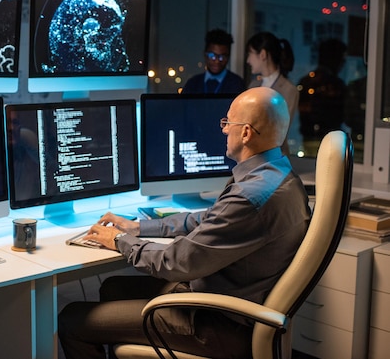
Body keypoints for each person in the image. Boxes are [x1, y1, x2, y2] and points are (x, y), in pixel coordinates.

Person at [58, 87, 310, 359]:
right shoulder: (279, 177)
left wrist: (119, 241)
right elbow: (208, 218)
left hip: (218, 324)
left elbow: (177, 262)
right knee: (112, 288)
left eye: (227, 123)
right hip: (227, 296)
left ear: (246, 133)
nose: (224, 130)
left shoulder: (251, 197)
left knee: (72, 320)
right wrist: (138, 228)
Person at [246, 32, 297, 153]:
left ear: (262, 54)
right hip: (252, 157)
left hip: (275, 159)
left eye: (250, 54)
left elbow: (279, 131)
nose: (248, 60)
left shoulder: (288, 89)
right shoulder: (253, 85)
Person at [298, 38, 347, 155]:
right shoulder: (335, 84)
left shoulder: (306, 81)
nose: (343, 63)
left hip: (313, 138)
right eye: (342, 58)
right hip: (327, 140)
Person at [182, 28, 245, 94]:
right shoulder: (193, 84)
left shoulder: (237, 83)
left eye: (222, 57)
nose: (217, 61)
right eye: (212, 56)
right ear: (205, 54)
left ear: (228, 57)